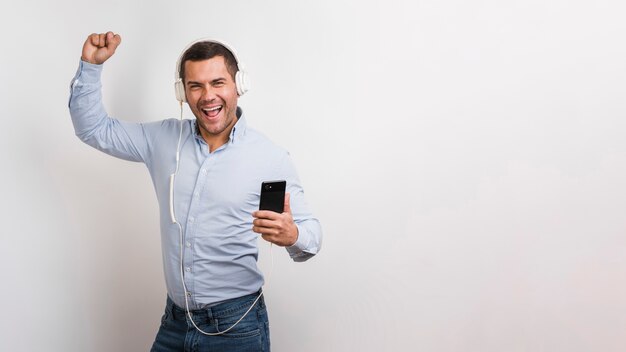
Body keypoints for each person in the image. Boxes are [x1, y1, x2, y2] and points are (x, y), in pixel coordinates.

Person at [69, 31, 322, 352]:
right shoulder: (162, 139)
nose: (207, 96)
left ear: (238, 86)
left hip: (237, 325)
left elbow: (312, 236)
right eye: (195, 86)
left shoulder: (269, 157)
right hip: (174, 321)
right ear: (182, 92)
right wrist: (90, 67)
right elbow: (94, 130)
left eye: (218, 83)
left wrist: (292, 234)